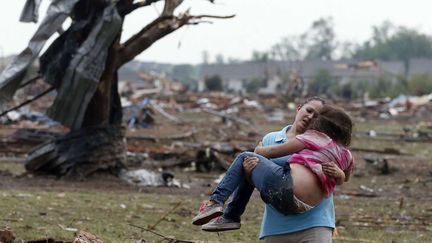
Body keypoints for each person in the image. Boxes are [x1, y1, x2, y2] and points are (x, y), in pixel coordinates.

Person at [192, 100, 353, 238]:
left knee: (244, 157)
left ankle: (218, 204)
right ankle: (230, 216)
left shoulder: (313, 137)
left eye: (316, 116)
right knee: (250, 165)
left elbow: (271, 152)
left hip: (298, 203)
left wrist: (258, 151)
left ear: (321, 123)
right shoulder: (346, 153)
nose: (311, 117)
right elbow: (346, 176)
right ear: (299, 108)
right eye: (309, 110)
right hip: (298, 205)